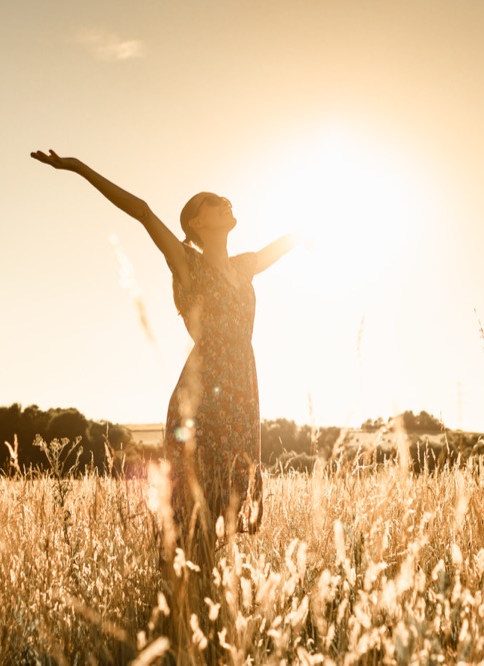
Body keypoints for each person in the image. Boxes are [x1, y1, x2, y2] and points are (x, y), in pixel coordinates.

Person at [30, 148, 296, 576]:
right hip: (203, 389)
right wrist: (79, 168)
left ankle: (197, 589)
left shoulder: (243, 267)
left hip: (243, 387)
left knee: (227, 490)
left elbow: (287, 242)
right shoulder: (185, 261)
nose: (225, 201)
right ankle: (183, 586)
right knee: (198, 496)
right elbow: (141, 210)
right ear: (195, 221)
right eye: (213, 200)